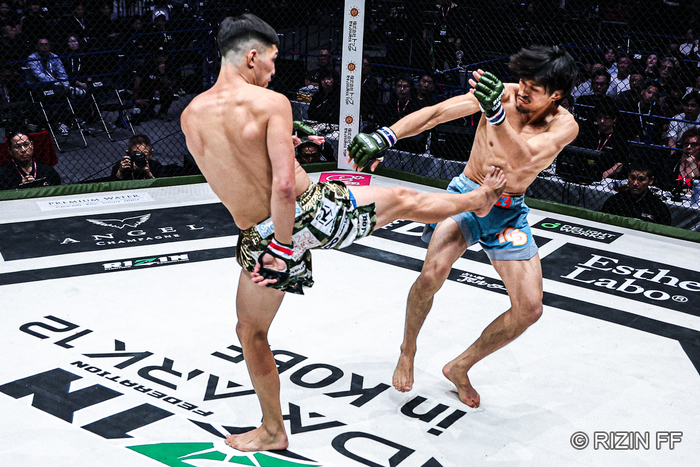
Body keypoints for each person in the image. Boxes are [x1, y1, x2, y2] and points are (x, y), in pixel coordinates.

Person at [179, 14, 506, 452]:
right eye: (272, 60)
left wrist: (273, 240)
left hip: (255, 235)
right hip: (304, 217)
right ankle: (478, 200)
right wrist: (284, 246)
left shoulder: (190, 115)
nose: (275, 71)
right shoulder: (271, 103)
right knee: (402, 200)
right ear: (251, 56)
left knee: (250, 333)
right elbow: (282, 187)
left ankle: (273, 429)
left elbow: (231, 175)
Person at [347, 45, 579, 408]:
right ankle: (408, 350)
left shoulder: (563, 125)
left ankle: (460, 366)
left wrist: (496, 115)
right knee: (432, 273)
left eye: (533, 88)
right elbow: (437, 113)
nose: (521, 91)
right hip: (468, 198)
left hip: (508, 213)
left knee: (530, 308)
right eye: (521, 81)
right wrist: (385, 136)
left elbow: (524, 159)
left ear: (556, 95)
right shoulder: (501, 95)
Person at [601, 162, 671, 225]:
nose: (635, 183)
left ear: (650, 181)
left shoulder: (659, 209)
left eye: (641, 179)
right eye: (632, 178)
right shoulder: (614, 201)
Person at [575, 97, 629, 179]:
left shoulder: (619, 138)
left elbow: (620, 163)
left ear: (614, 119)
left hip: (607, 176)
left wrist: (606, 174)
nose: (602, 121)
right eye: (599, 117)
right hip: (586, 171)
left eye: (606, 118)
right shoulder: (590, 133)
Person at [132, 48, 177, 122]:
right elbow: (137, 82)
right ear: (155, 57)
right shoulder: (147, 65)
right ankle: (149, 110)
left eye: (164, 56)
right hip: (146, 91)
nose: (162, 58)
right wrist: (136, 99)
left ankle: (163, 112)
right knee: (142, 117)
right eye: (159, 56)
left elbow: (169, 83)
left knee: (169, 93)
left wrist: (162, 73)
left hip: (160, 90)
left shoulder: (169, 66)